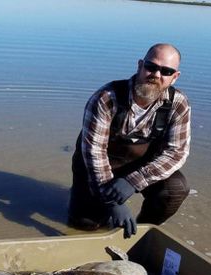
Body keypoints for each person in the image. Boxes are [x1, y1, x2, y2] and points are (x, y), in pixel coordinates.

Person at [68, 43, 191, 238]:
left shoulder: (179, 103)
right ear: (140, 65)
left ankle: (138, 233)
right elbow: (94, 153)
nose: (156, 75)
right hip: (98, 167)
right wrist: (112, 202)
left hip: (140, 168)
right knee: (84, 225)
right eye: (151, 67)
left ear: (174, 77)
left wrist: (133, 182)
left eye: (166, 71)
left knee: (175, 189)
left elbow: (176, 153)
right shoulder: (106, 98)